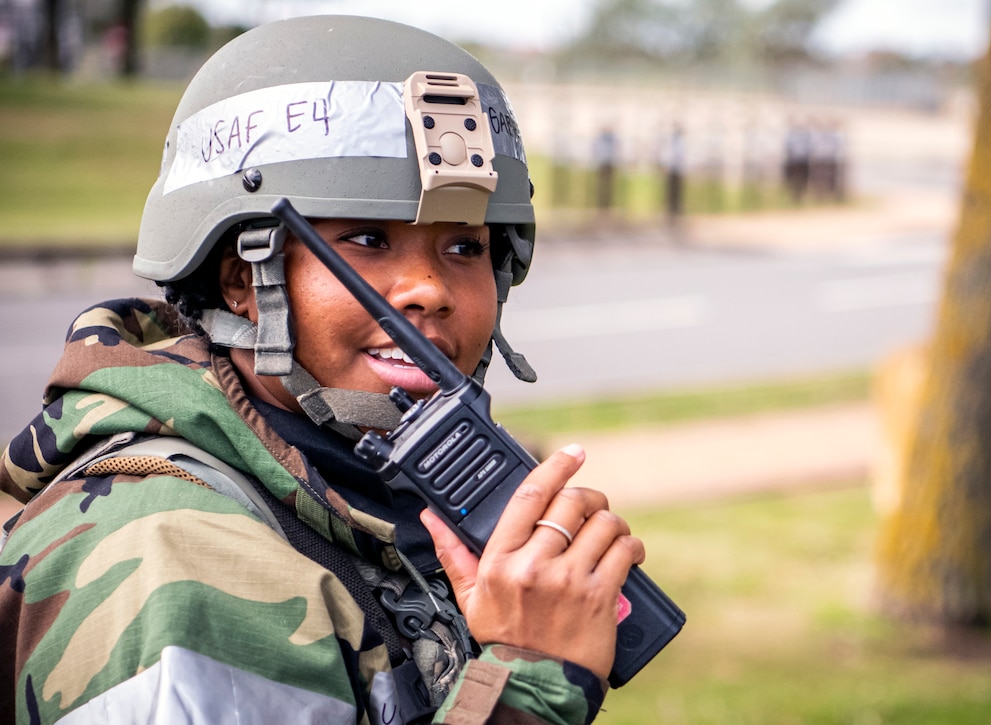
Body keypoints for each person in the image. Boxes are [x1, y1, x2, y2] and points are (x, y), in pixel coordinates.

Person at [0, 16, 646, 725]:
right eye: (367, 239)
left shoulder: (353, 488)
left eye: (465, 246)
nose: (428, 288)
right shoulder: (179, 560)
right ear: (242, 281)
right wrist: (525, 681)